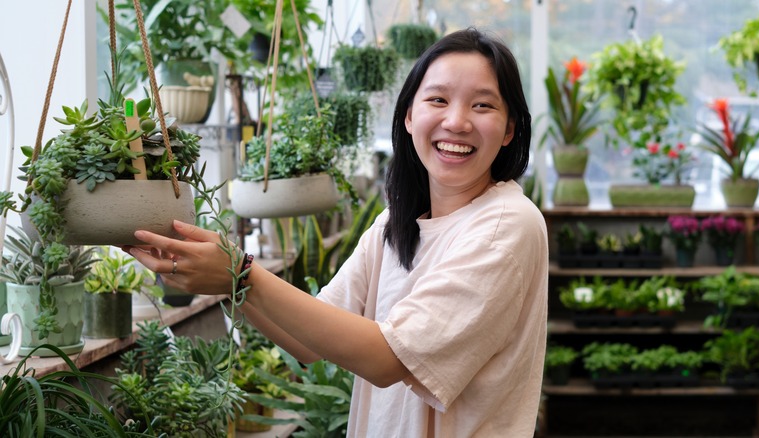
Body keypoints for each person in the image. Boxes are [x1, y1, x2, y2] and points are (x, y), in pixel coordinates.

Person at [126, 27, 548, 437]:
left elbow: (387, 359)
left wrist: (240, 272)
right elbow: (305, 344)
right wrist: (223, 277)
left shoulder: (506, 225)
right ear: (408, 116)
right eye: (438, 99)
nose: (456, 122)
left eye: (482, 106)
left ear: (510, 129)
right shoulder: (395, 224)